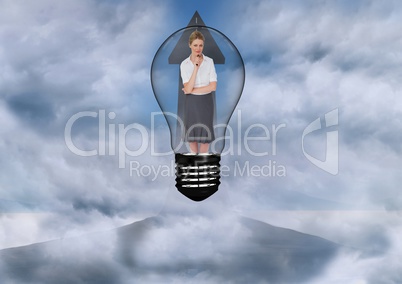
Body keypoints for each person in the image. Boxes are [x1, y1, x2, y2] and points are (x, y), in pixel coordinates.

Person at [180, 31, 217, 154]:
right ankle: (194, 166)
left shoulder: (209, 62)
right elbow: (188, 87)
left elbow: (213, 86)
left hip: (206, 102)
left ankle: (203, 165)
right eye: (195, 45)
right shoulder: (184, 65)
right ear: (190, 45)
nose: (198, 48)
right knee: (192, 136)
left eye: (201, 45)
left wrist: (192, 90)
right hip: (192, 103)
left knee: (205, 137)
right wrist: (196, 67)